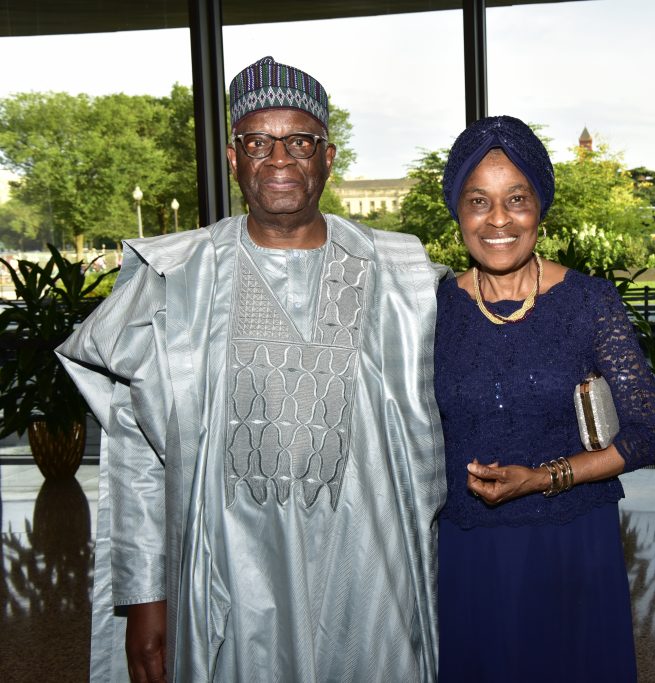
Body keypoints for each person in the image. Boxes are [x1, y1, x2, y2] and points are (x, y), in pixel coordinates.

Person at [57, 56, 446, 682]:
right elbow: (137, 458)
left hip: (371, 581)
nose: (280, 159)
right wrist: (143, 598)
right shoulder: (173, 281)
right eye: (258, 142)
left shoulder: (402, 277)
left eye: (300, 141)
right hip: (228, 580)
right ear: (234, 159)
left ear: (328, 155)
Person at [433, 115, 655, 682]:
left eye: (516, 199)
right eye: (478, 201)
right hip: (469, 552)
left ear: (539, 205)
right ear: (458, 211)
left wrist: (542, 478)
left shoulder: (589, 302)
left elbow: (649, 433)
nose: (498, 220)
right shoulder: (431, 311)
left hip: (571, 546)